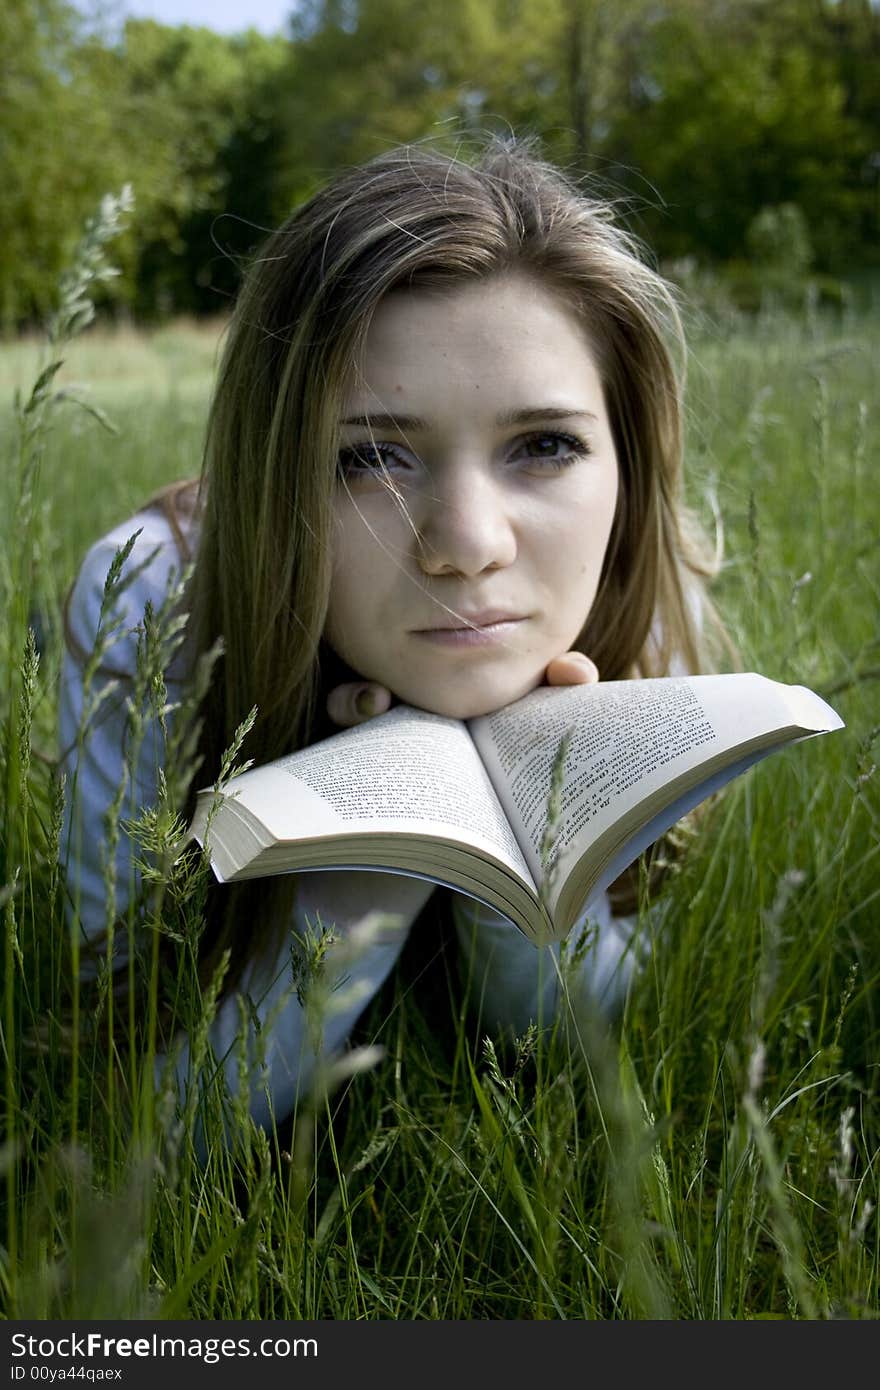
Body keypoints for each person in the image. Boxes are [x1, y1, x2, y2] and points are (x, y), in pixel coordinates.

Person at [59, 137, 725, 1151]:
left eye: (542, 446)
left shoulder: (631, 594)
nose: (466, 545)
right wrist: (361, 871)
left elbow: (574, 1049)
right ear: (276, 476)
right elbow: (123, 1121)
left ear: (624, 466)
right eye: (370, 457)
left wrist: (522, 863)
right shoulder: (147, 604)